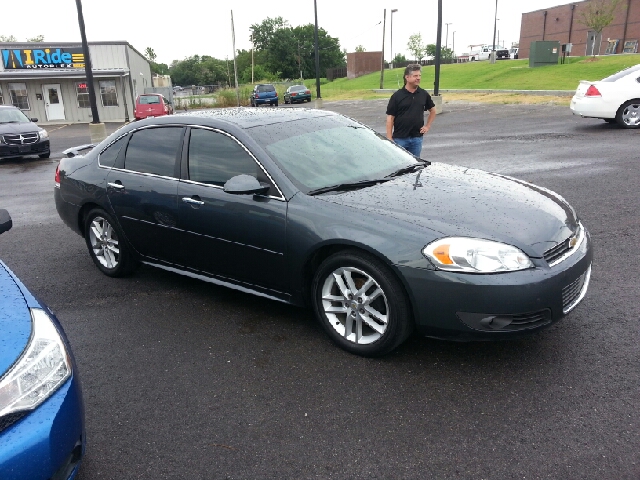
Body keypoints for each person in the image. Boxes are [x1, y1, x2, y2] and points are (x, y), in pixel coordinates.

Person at [386, 64, 437, 158]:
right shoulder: (397, 96)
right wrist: (389, 137)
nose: (418, 78)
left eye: (419, 76)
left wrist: (427, 126)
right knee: (399, 165)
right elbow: (390, 117)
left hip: (417, 139)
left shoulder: (423, 94)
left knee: (414, 166)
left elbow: (433, 111)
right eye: (415, 76)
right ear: (407, 77)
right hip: (400, 139)